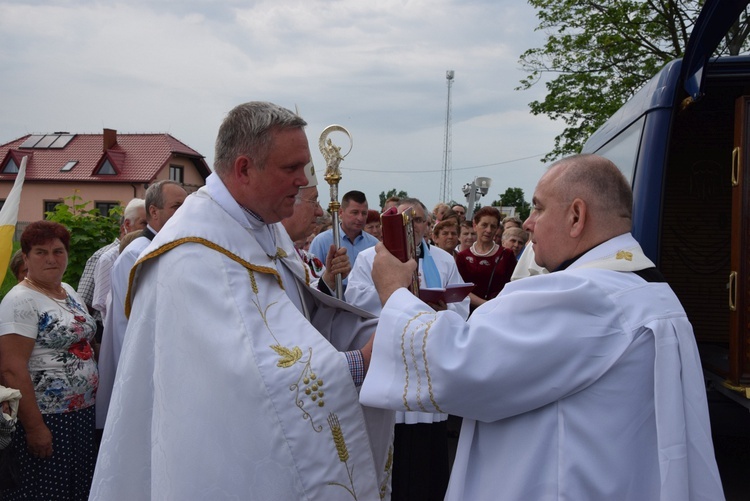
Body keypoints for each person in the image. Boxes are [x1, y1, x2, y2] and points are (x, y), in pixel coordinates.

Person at [360, 154, 724, 500]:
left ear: (576, 216)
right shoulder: (643, 289)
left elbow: (459, 363)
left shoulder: (586, 294)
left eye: (538, 207)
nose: (528, 223)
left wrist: (394, 292)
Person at [90, 101, 393, 500]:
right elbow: (248, 378)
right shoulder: (190, 255)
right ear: (244, 168)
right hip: (214, 458)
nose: (303, 182)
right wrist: (361, 363)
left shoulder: (264, 228)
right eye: (291, 169)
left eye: (304, 167)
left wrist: (373, 328)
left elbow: (295, 319)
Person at [346, 198, 468, 501]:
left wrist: (442, 309)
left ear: (427, 225)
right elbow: (355, 299)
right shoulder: (369, 258)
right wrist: (398, 298)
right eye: (403, 221)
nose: (411, 226)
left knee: (428, 460)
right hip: (390, 357)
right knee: (393, 453)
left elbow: (461, 305)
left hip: (428, 362)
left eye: (417, 220)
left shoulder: (442, 260)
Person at [0, 221, 98, 500]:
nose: (52, 259)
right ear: (26, 257)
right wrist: (35, 428)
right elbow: (11, 368)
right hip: (46, 417)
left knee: (77, 488)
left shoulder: (67, 289)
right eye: (41, 252)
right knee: (45, 490)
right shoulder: (20, 301)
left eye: (58, 251)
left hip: (79, 414)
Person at [95, 181, 187, 430]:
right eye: (177, 206)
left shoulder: (170, 248)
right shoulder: (137, 254)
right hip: (144, 364)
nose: (184, 212)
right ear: (154, 212)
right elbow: (130, 321)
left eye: (187, 205)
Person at [281, 160, 351, 294]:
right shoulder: (262, 255)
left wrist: (329, 279)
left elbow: (310, 310)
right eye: (313, 201)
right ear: (289, 203)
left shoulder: (311, 262)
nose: (319, 211)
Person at [86, 198, 147, 323]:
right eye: (144, 224)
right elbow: (85, 301)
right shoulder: (105, 257)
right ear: (127, 225)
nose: (150, 229)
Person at [455, 206, 515, 311]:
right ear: (475, 225)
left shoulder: (507, 255)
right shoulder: (462, 257)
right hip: (470, 313)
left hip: (500, 310)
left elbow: (513, 286)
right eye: (484, 225)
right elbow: (460, 289)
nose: (488, 230)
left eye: (493, 226)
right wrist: (486, 305)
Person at [309, 190, 378, 281]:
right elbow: (312, 279)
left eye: (364, 213)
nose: (360, 218)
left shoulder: (374, 244)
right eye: (355, 212)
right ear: (341, 212)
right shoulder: (321, 241)